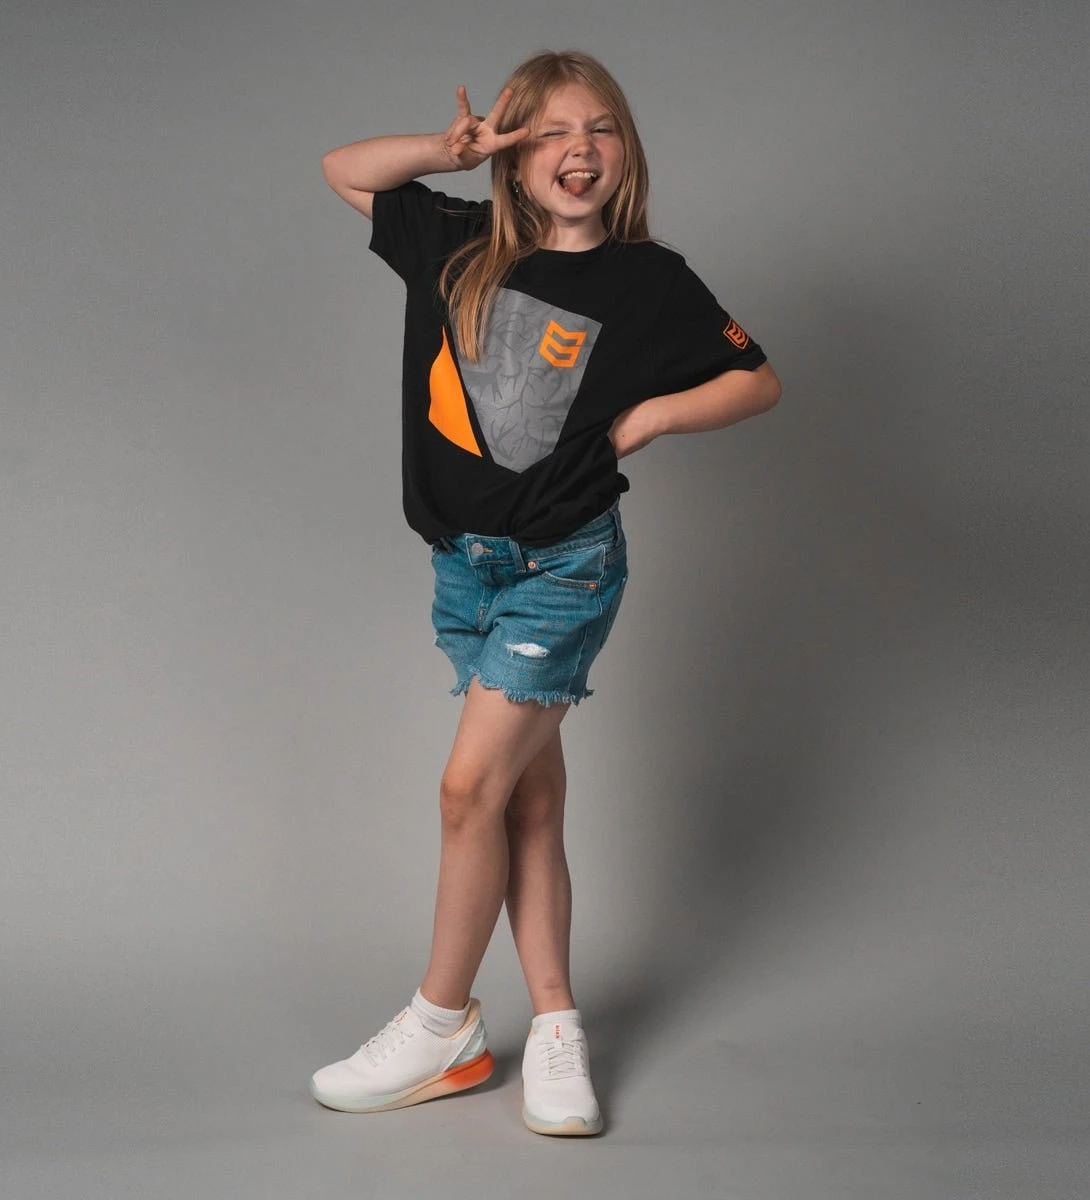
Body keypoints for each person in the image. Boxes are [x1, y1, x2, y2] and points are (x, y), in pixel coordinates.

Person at [311, 48, 781, 1137]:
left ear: (626, 152)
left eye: (601, 128)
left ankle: (441, 1025)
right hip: (462, 568)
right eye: (553, 131)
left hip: (564, 568)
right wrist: (446, 151)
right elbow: (344, 168)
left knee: (466, 792)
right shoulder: (455, 242)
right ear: (516, 157)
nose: (580, 148)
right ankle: (558, 1023)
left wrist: (652, 416)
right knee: (528, 800)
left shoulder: (650, 281)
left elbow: (756, 379)